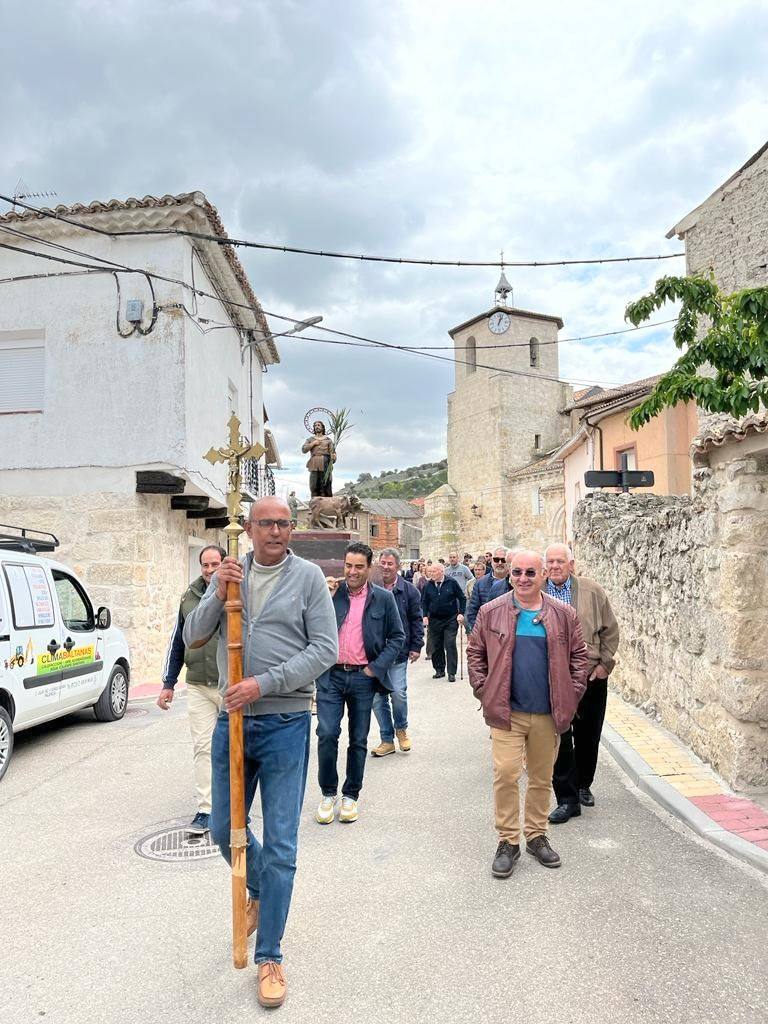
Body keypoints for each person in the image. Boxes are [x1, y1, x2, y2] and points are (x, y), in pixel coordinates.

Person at [183, 497, 338, 1008]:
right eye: (266, 523)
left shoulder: (310, 578)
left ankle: (270, 954)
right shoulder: (229, 574)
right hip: (232, 722)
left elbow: (325, 649)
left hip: (286, 721)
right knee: (221, 825)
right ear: (248, 529)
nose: (276, 530)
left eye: (284, 523)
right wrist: (215, 589)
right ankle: (259, 891)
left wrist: (264, 683)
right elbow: (194, 635)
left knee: (282, 843)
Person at [467, 550, 588, 877]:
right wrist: (484, 690)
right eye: (517, 572)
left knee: (541, 777)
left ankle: (536, 835)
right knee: (506, 773)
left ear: (543, 575)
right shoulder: (491, 612)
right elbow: (475, 653)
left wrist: (571, 695)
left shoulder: (563, 614)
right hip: (507, 712)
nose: (522, 578)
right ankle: (508, 841)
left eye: (530, 573)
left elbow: (579, 658)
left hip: (548, 714)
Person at [316, 542, 405, 824]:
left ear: (369, 569)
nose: (351, 572)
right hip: (331, 676)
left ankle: (351, 795)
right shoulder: (329, 593)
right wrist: (325, 597)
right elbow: (310, 626)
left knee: (358, 739)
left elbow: (397, 638)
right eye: (348, 566)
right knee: (327, 733)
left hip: (362, 679)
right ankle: (328, 793)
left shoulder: (382, 599)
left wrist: (374, 669)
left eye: (358, 567)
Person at [544, 544, 619, 824]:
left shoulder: (591, 590)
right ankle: (566, 798)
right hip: (552, 679)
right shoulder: (536, 593)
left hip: (589, 676)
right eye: (550, 561)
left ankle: (583, 784)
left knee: (588, 735)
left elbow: (610, 630)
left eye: (560, 561)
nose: (555, 566)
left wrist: (604, 666)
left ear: (571, 564)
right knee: (559, 737)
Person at [157, 544, 226, 835]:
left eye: (214, 564)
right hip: (198, 684)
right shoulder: (189, 596)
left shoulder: (235, 590)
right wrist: (168, 683)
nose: (209, 570)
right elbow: (178, 642)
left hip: (229, 685)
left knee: (234, 746)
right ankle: (205, 809)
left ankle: (234, 803)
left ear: (224, 563)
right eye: (205, 565)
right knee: (203, 747)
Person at [370, 548, 424, 757]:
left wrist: (416, 646)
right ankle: (386, 739)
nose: (385, 567)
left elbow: (416, 620)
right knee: (376, 699)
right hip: (374, 653)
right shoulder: (371, 589)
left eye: (389, 564)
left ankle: (401, 729)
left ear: (398, 566)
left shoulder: (409, 591)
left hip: (398, 652)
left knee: (398, 693)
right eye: (382, 563)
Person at [422, 562, 466, 681]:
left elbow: (462, 598)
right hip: (434, 619)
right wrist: (424, 615)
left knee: (450, 643)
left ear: (441, 572)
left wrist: (461, 613)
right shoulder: (428, 585)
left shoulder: (451, 582)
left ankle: (451, 672)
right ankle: (439, 670)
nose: (431, 574)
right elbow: (424, 602)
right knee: (436, 645)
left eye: (433, 571)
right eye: (430, 572)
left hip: (450, 618)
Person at [466, 546, 509, 631]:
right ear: (492, 561)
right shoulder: (480, 583)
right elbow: (473, 611)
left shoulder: (516, 582)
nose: (500, 563)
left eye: (503, 560)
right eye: (496, 560)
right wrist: (479, 632)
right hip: (488, 633)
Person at [301, 420, 336, 498]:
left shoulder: (328, 440)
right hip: (314, 463)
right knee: (314, 483)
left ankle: (327, 502)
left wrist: (333, 457)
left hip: (325, 463)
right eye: (315, 425)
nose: (317, 426)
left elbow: (332, 453)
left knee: (326, 482)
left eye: (318, 425)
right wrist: (313, 443)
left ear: (322, 427)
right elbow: (304, 449)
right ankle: (315, 501)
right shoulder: (310, 439)